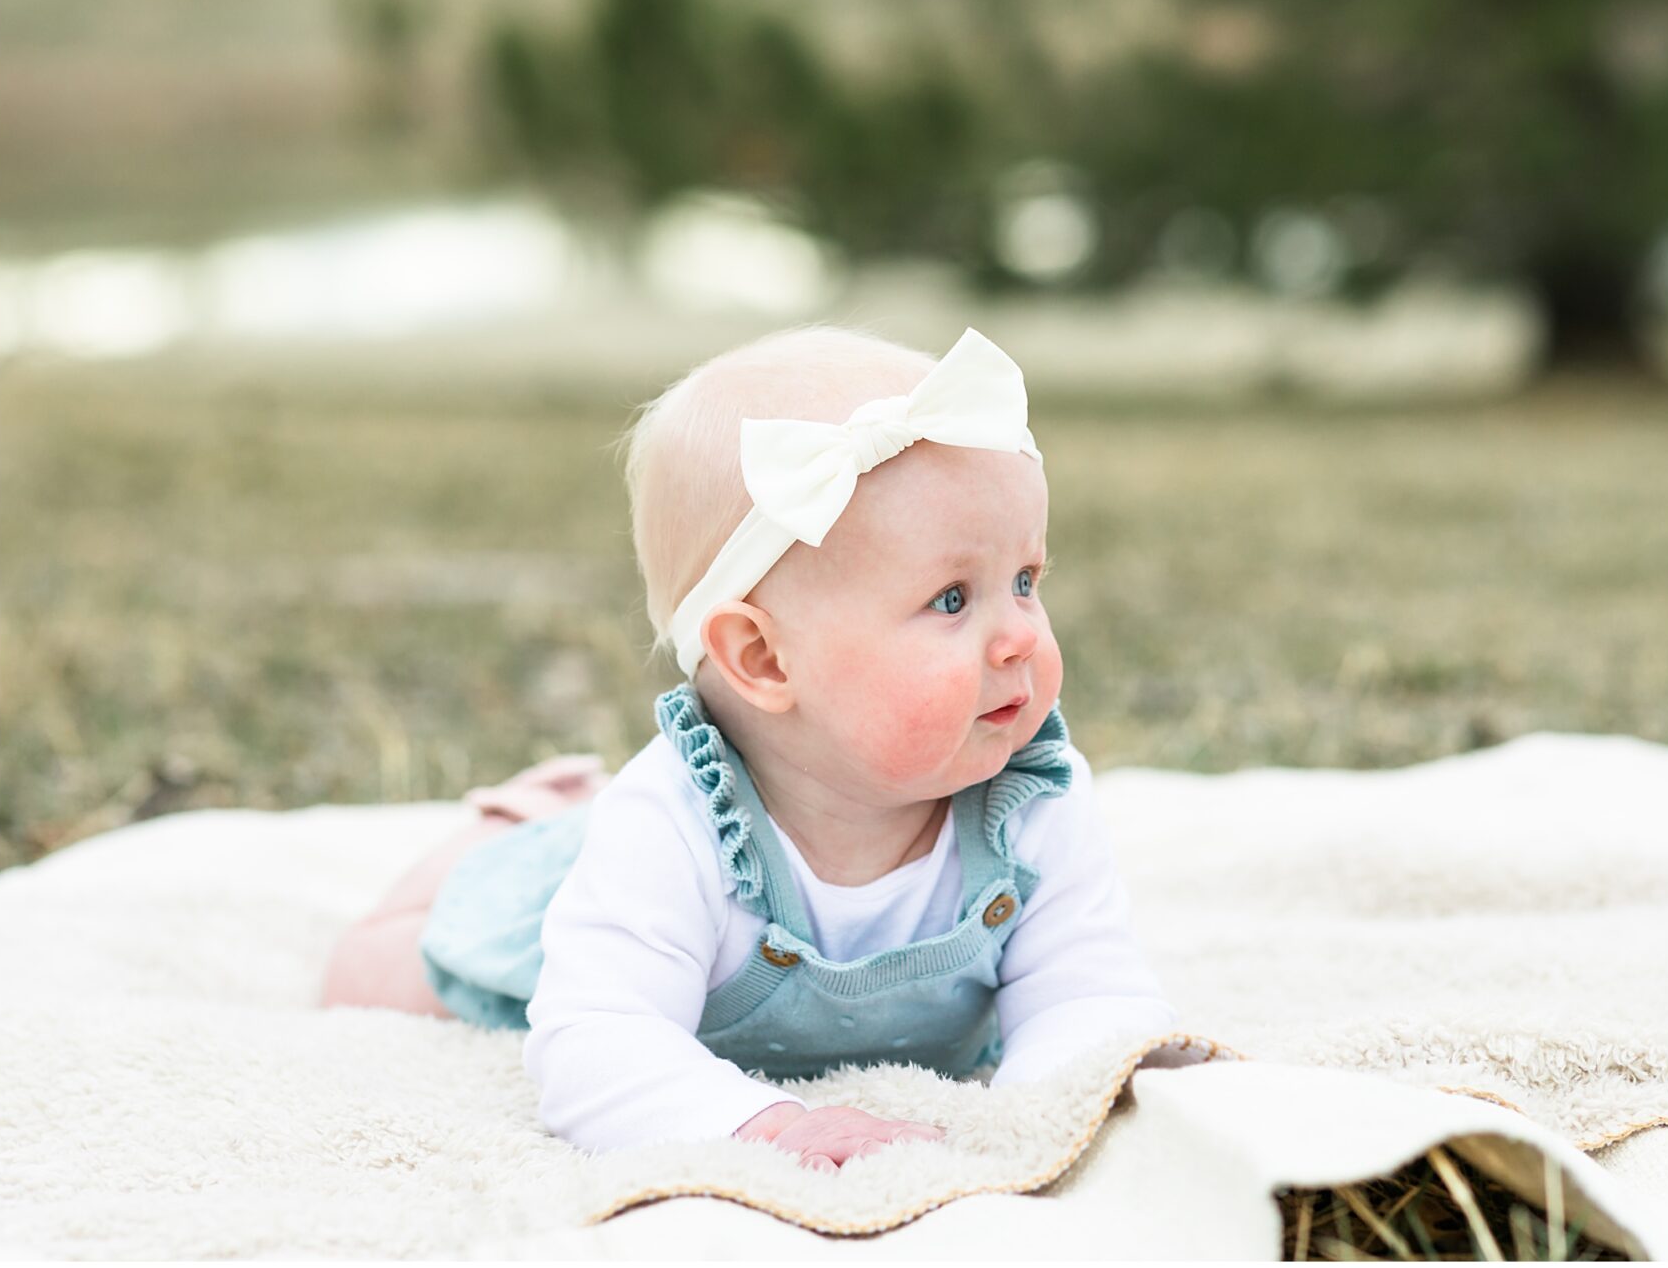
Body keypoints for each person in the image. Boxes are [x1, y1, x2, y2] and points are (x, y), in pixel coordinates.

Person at [320, 324, 1176, 1171]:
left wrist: (1075, 1100)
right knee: (370, 974)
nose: (1019, 637)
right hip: (573, 910)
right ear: (764, 659)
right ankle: (518, 821)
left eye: (1026, 582)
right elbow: (597, 1043)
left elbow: (1085, 989)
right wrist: (762, 1123)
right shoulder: (671, 826)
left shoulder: (1033, 799)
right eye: (953, 600)